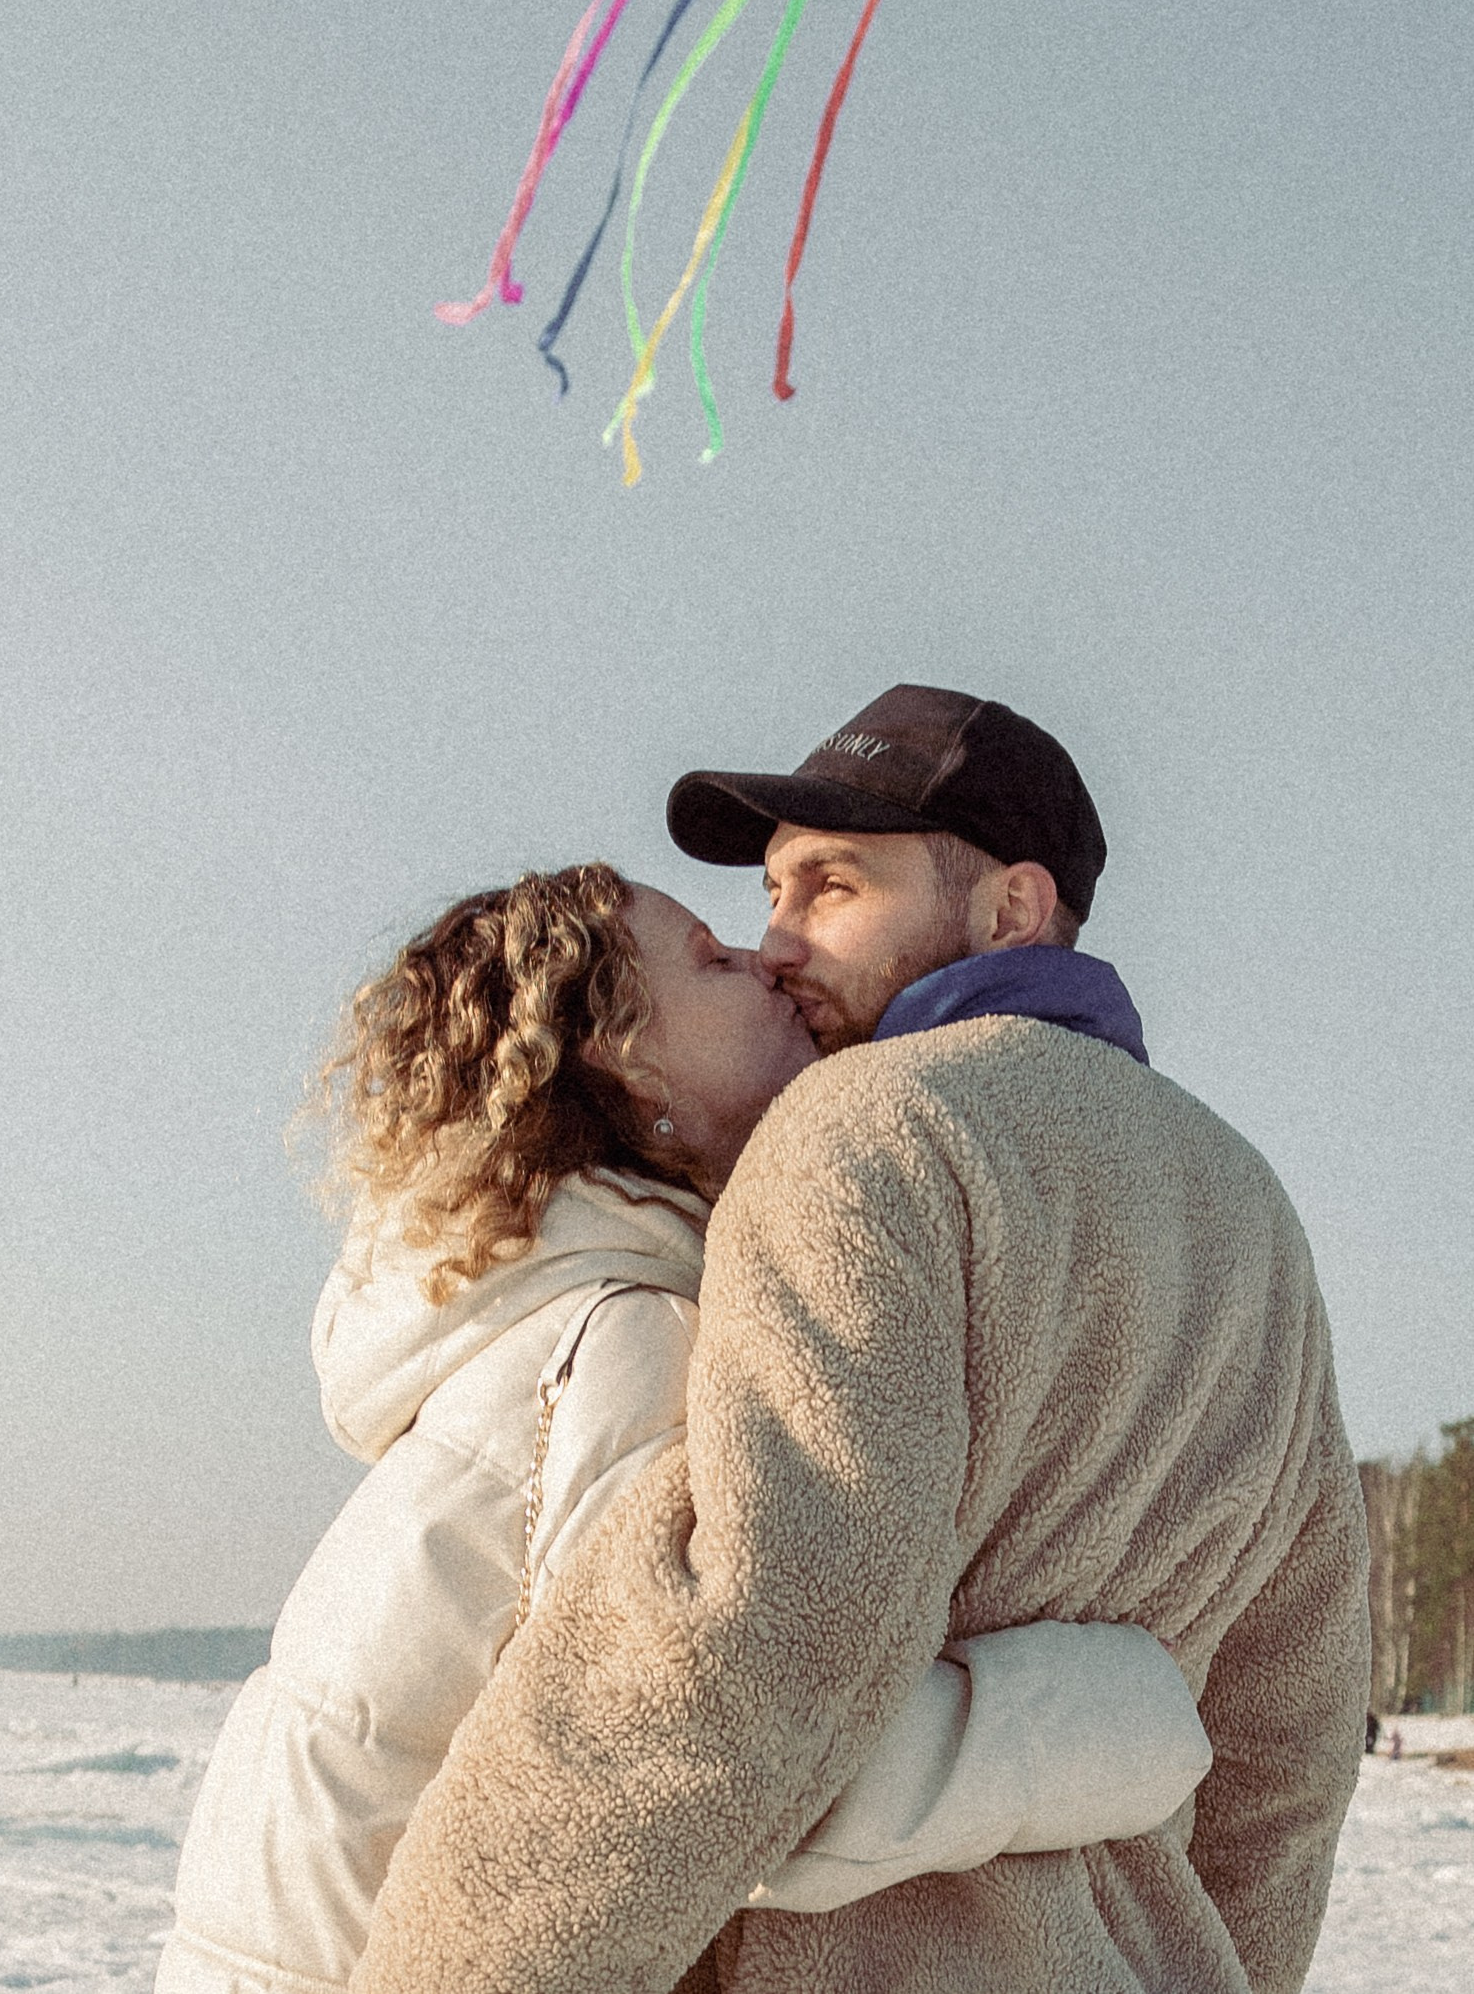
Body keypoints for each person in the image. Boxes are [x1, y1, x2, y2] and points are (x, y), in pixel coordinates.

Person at [353, 686, 1371, 1994]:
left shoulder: (865, 1127)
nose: (775, 943)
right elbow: (1286, 1725)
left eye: (827, 888)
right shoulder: (1242, 1201)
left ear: (1008, 908)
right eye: (771, 895)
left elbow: (750, 1637)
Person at [158, 859, 1213, 1994]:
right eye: (711, 959)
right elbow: (700, 1762)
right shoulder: (634, 1340)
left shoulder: (539, 1308)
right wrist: (1126, 1724)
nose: (767, 959)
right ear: (625, 1052)